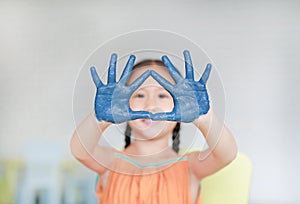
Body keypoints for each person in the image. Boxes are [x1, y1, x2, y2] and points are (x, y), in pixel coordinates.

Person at [70, 50, 237, 204]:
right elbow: (80, 149)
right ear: (121, 104)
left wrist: (203, 118)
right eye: (139, 94)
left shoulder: (190, 167)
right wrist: (100, 119)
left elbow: (226, 154)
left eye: (163, 95)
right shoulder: (110, 162)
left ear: (182, 106)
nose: (150, 105)